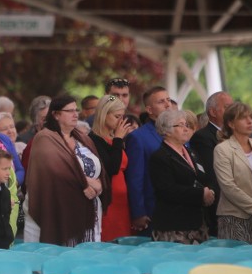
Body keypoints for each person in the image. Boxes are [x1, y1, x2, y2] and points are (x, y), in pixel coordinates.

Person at [24, 94, 108, 245]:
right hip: (56, 207)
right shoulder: (44, 138)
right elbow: (54, 171)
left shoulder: (83, 138)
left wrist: (100, 184)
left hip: (88, 207)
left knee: (86, 257)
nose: (76, 114)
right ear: (56, 114)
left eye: (76, 110)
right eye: (69, 111)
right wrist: (86, 182)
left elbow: (99, 166)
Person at [149, 110, 215, 244]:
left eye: (186, 125)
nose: (186, 129)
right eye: (180, 125)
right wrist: (201, 193)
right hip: (174, 225)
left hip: (198, 222)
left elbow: (204, 177)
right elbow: (167, 190)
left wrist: (210, 191)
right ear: (166, 130)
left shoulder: (191, 152)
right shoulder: (160, 156)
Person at [212, 102, 252, 244]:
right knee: (236, 261)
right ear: (231, 124)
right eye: (243, 118)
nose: (249, 121)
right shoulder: (223, 149)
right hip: (234, 216)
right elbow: (227, 185)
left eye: (250, 117)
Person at [125, 86, 172, 234]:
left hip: (180, 208)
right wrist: (138, 212)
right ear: (150, 110)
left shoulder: (180, 133)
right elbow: (135, 178)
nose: (167, 104)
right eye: (161, 102)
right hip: (153, 210)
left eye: (168, 100)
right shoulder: (138, 137)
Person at [88, 94, 134, 241]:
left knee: (124, 240)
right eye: (117, 116)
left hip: (123, 201)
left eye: (122, 117)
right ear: (104, 114)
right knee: (109, 240)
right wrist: (118, 139)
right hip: (108, 200)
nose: (121, 121)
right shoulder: (94, 139)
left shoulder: (115, 138)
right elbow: (112, 167)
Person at [190, 91, 233, 236]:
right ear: (213, 112)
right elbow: (213, 172)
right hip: (222, 202)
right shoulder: (203, 136)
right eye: (227, 107)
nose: (232, 112)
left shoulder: (236, 134)